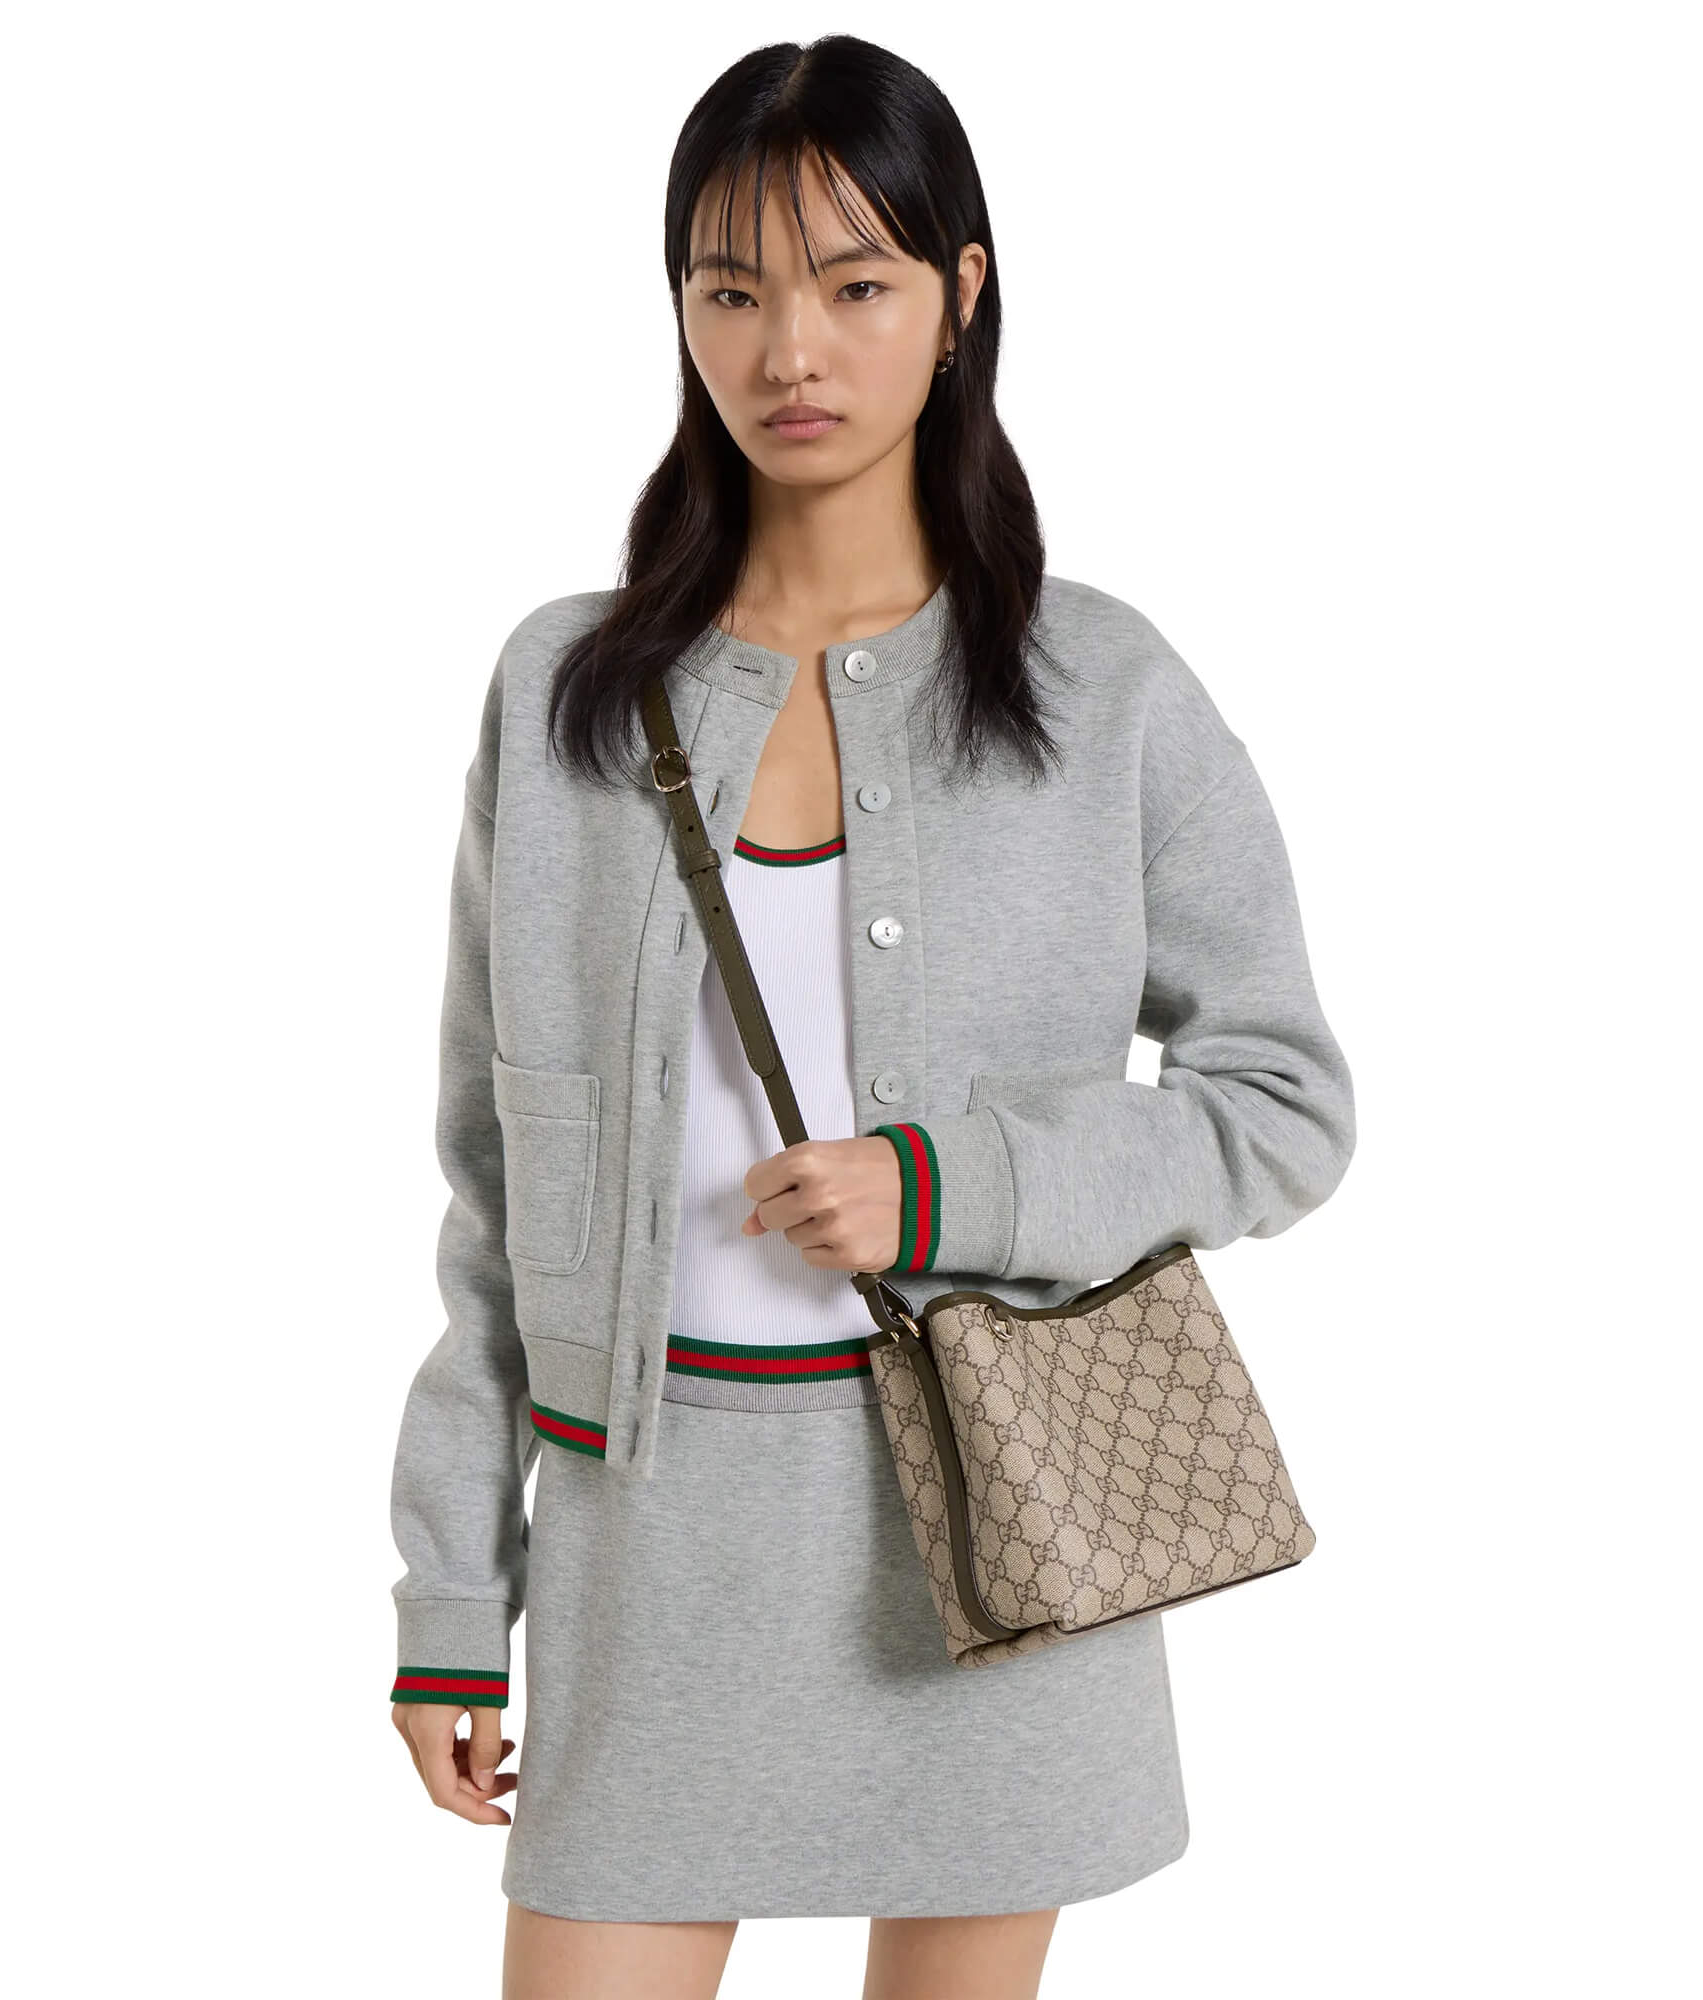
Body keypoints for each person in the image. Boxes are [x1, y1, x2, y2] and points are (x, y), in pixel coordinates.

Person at [387, 33, 1356, 2000]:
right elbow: (496, 1194)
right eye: (730, 289)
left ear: (960, 293)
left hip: (998, 1544)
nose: (789, 350)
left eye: (853, 283)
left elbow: (1283, 1104)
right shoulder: (563, 696)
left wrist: (947, 1186)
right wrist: (449, 1597)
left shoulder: (1105, 691)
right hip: (654, 1561)